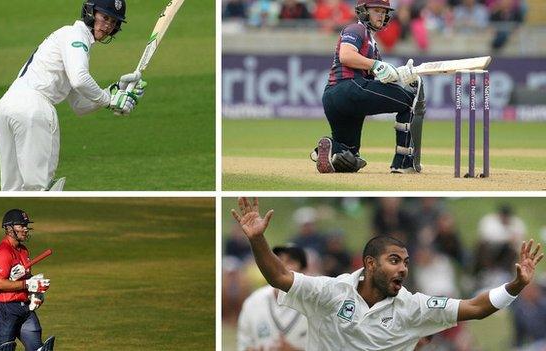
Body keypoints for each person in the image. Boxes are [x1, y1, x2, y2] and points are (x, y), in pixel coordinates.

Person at [231, 197, 544, 350]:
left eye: (406, 262)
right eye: (394, 260)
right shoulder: (330, 293)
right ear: (369, 264)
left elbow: (475, 307)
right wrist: (257, 238)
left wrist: (515, 285)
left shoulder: (414, 307)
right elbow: (281, 278)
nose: (403, 268)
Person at [0, 0, 147, 191]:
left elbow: (79, 106)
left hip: (7, 106)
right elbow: (80, 79)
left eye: (114, 22)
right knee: (39, 188)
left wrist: (115, 89)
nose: (108, 25)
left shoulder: (67, 38)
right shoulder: (77, 36)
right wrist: (109, 101)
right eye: (105, 17)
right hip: (34, 108)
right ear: (91, 12)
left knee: (12, 189)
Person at [309, 0, 425, 174]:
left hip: (333, 98)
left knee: (349, 156)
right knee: (409, 100)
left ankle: (331, 148)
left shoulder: (371, 42)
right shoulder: (357, 29)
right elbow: (346, 56)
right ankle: (403, 162)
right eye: (377, 10)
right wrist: (376, 65)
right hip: (350, 88)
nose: (382, 15)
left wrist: (398, 74)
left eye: (384, 11)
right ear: (363, 11)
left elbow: (379, 79)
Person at [0, 209, 54, 351]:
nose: (25, 229)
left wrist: (35, 293)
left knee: (38, 349)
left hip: (24, 307)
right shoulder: (3, 251)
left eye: (26, 226)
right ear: (9, 228)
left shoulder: (23, 250)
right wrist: (27, 284)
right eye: (21, 226)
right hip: (3, 309)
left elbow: (27, 278)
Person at [238, 245, 308, 351]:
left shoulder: (316, 301)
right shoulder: (253, 301)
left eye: (290, 261)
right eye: (278, 260)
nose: (282, 265)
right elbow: (244, 343)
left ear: (303, 269)